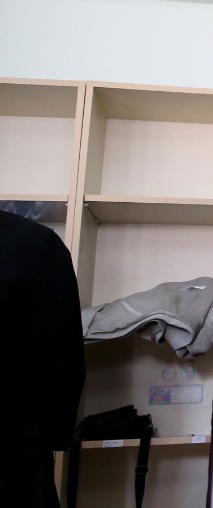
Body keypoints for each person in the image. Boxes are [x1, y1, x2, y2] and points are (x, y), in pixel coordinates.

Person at [0, 209, 86, 508]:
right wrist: (52, 436)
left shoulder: (34, 245)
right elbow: (62, 361)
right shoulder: (33, 244)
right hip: (15, 455)